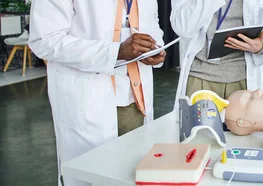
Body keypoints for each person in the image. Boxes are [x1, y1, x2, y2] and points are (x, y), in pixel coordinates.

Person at [28, 0, 165, 185]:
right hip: (89, 101)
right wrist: (114, 52)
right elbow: (44, 39)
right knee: (92, 175)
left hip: (136, 100)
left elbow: (151, 22)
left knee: (134, 174)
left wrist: (156, 47)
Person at [170, 0, 263, 101]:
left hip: (247, 79)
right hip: (201, 76)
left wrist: (262, 47)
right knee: (197, 123)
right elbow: (182, 27)